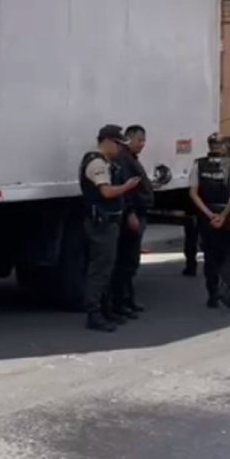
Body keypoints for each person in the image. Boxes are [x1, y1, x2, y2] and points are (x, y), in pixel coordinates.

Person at [79, 125, 142, 332]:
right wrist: (127, 187)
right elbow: (106, 192)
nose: (119, 149)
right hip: (101, 224)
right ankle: (94, 314)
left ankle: (106, 310)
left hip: (108, 223)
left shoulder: (107, 162)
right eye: (117, 144)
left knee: (107, 268)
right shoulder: (96, 162)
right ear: (106, 141)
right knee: (100, 270)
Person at [188, 133, 230, 309]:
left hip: (207, 216)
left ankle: (212, 294)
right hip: (227, 215)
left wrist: (208, 214)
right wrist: (223, 215)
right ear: (223, 146)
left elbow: (193, 193)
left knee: (210, 256)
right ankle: (225, 287)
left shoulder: (199, 164)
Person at [110, 125, 152, 317]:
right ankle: (120, 303)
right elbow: (125, 190)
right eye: (139, 140)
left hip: (138, 213)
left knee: (130, 261)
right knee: (126, 261)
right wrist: (130, 213)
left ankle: (127, 299)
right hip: (132, 215)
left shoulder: (130, 158)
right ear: (129, 139)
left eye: (144, 140)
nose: (142, 144)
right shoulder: (124, 160)